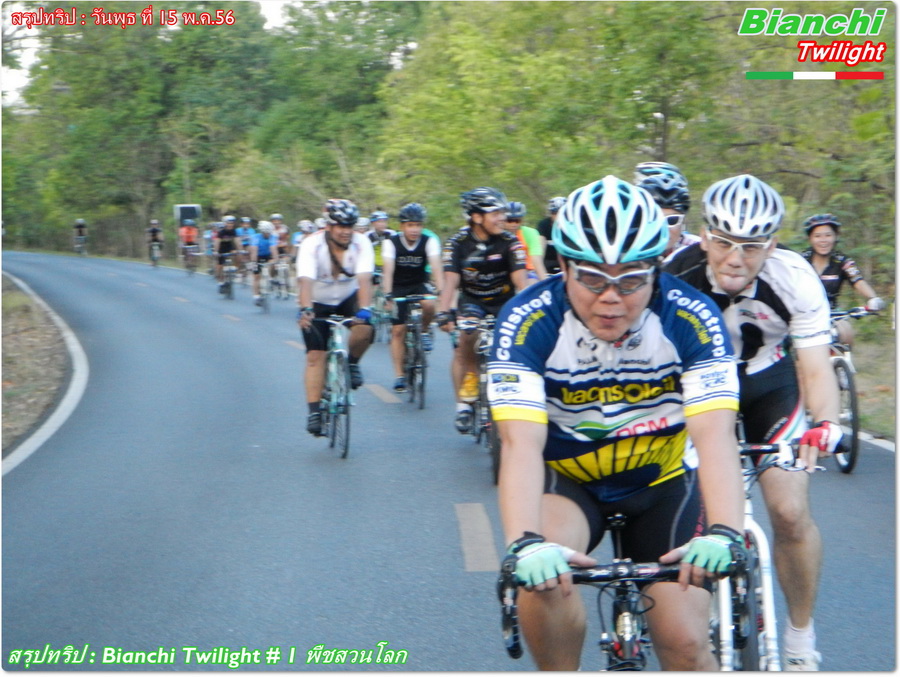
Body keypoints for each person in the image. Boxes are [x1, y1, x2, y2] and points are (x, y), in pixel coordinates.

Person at [490, 176, 745, 671]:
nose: (611, 298)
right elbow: (519, 444)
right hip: (569, 483)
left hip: (662, 481)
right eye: (592, 278)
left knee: (684, 641)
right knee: (542, 585)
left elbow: (715, 436)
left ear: (656, 270)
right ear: (562, 265)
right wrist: (524, 542)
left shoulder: (691, 315)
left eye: (631, 280)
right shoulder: (527, 319)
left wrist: (726, 532)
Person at [664, 174, 843, 671]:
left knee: (789, 509)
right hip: (696, 389)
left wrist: (826, 424)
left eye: (751, 245)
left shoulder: (796, 278)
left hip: (768, 383)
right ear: (704, 236)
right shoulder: (674, 275)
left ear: (773, 244)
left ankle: (800, 638)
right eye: (723, 242)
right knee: (685, 508)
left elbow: (815, 367)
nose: (735, 258)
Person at [437, 187, 528, 433]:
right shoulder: (457, 243)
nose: (502, 218)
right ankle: (464, 404)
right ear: (477, 217)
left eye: (503, 213)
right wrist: (444, 311)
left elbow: (521, 282)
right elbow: (451, 282)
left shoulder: (510, 242)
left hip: (504, 302)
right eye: (495, 213)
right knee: (467, 340)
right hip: (472, 301)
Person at [296, 199, 375, 436]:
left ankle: (352, 363)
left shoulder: (361, 243)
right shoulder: (311, 245)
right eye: (340, 226)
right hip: (317, 302)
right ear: (329, 226)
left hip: (348, 298)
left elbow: (364, 280)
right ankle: (314, 412)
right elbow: (305, 282)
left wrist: (365, 310)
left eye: (349, 226)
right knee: (315, 356)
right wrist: (306, 310)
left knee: (366, 328)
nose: (345, 231)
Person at [381, 202, 443, 392]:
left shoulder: (428, 241)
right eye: (410, 225)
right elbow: (388, 270)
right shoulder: (391, 243)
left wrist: (441, 290)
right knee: (398, 331)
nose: (414, 229)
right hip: (398, 286)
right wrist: (388, 295)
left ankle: (423, 331)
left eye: (418, 225)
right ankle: (399, 375)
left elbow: (436, 267)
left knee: (429, 305)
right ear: (402, 226)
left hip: (419, 283)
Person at [799, 213, 884, 345]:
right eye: (817, 236)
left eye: (828, 235)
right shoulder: (800, 260)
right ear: (810, 238)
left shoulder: (842, 261)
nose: (823, 240)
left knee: (846, 333)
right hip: (803, 315)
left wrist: (873, 298)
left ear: (835, 237)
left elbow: (857, 281)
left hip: (832, 313)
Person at [634, 171, 699, 260]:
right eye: (654, 218)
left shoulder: (698, 250)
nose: (663, 228)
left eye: (672, 220)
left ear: (683, 222)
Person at [505, 201, 547, 285]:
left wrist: (545, 283)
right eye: (509, 220)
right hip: (504, 272)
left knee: (531, 285)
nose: (513, 224)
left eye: (517, 221)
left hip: (526, 271)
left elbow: (536, 259)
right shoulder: (496, 234)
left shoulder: (530, 233)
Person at [249, 221, 279, 305]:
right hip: (257, 256)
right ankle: (256, 296)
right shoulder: (255, 237)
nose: (268, 234)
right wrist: (254, 263)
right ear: (262, 232)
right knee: (256, 277)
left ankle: (271, 278)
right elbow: (254, 251)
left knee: (273, 263)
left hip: (267, 255)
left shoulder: (272, 237)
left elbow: (273, 249)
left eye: (269, 232)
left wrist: (276, 260)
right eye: (266, 233)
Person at [536, 196, 566, 274]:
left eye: (562, 213)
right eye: (554, 213)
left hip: (567, 261)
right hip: (548, 261)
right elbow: (541, 246)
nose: (558, 216)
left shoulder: (572, 226)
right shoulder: (544, 224)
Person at [214, 216, 243, 290]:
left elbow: (237, 241)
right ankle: (220, 281)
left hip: (229, 247)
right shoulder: (221, 231)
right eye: (229, 223)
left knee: (238, 255)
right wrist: (216, 251)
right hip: (221, 248)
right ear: (225, 224)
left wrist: (241, 250)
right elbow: (217, 242)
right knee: (220, 266)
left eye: (232, 223)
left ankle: (235, 270)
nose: (230, 225)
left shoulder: (233, 231)